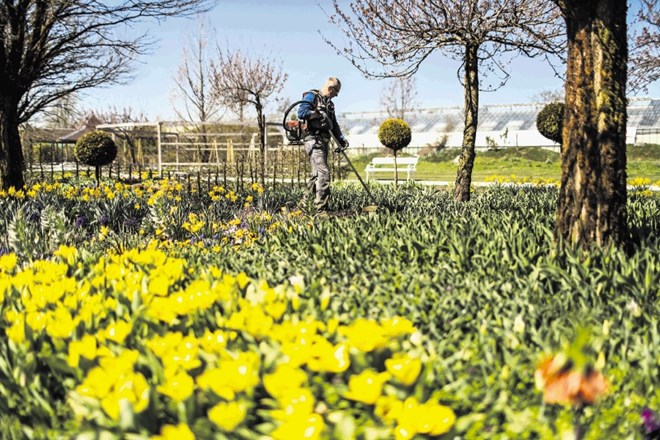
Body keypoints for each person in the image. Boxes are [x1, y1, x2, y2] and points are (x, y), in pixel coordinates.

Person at [297, 77, 349, 215]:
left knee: (316, 175)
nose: (336, 95)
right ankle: (321, 209)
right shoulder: (311, 96)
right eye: (336, 92)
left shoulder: (330, 104)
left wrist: (341, 139)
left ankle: (304, 204)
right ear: (331, 88)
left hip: (324, 141)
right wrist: (316, 114)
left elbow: (335, 124)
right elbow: (301, 113)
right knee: (324, 173)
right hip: (313, 140)